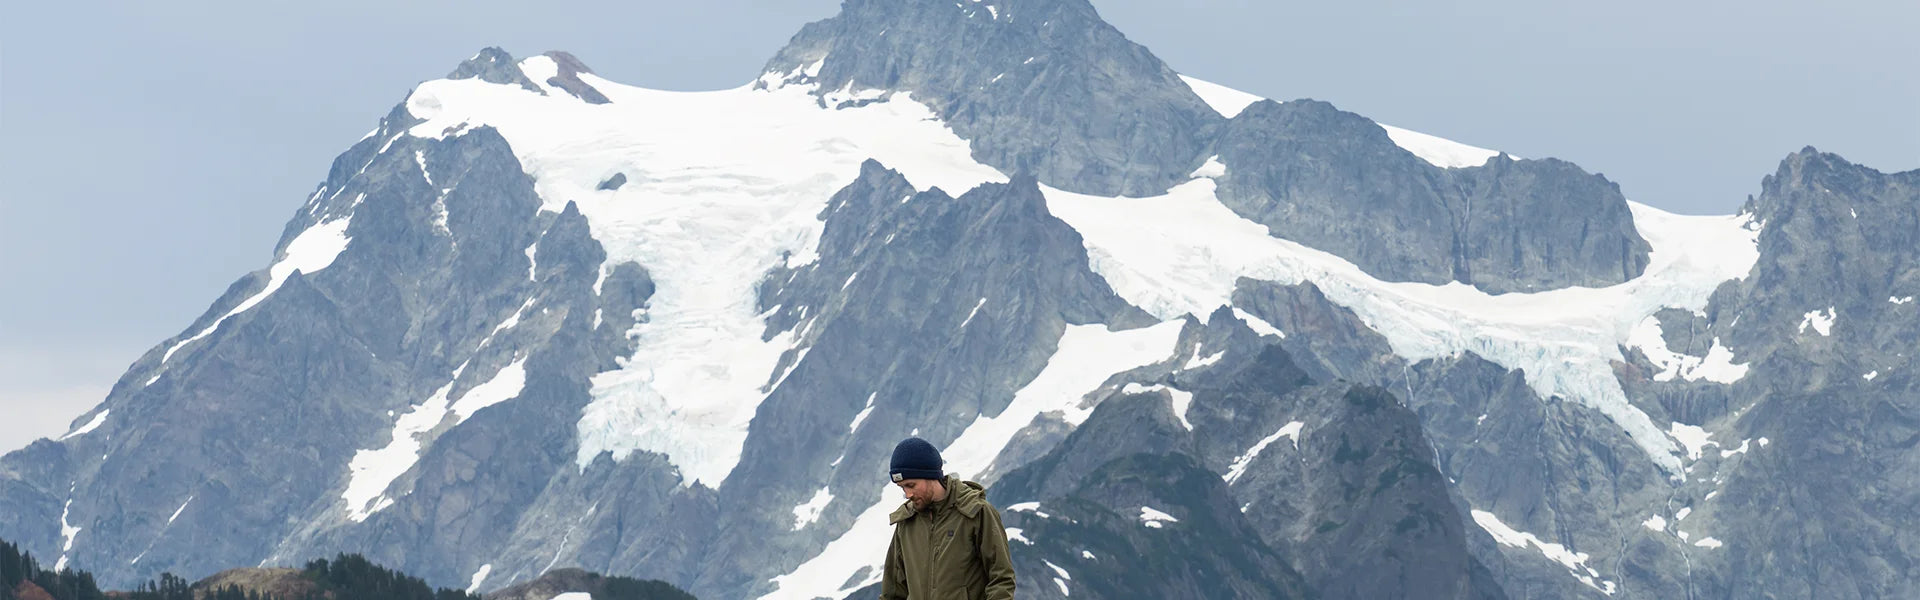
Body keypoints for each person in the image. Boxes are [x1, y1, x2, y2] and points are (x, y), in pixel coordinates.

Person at [881, 437, 1016, 600]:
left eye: (911, 485)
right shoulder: (906, 523)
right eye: (902, 487)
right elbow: (893, 592)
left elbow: (1002, 580)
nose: (908, 494)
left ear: (930, 476)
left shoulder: (976, 513)